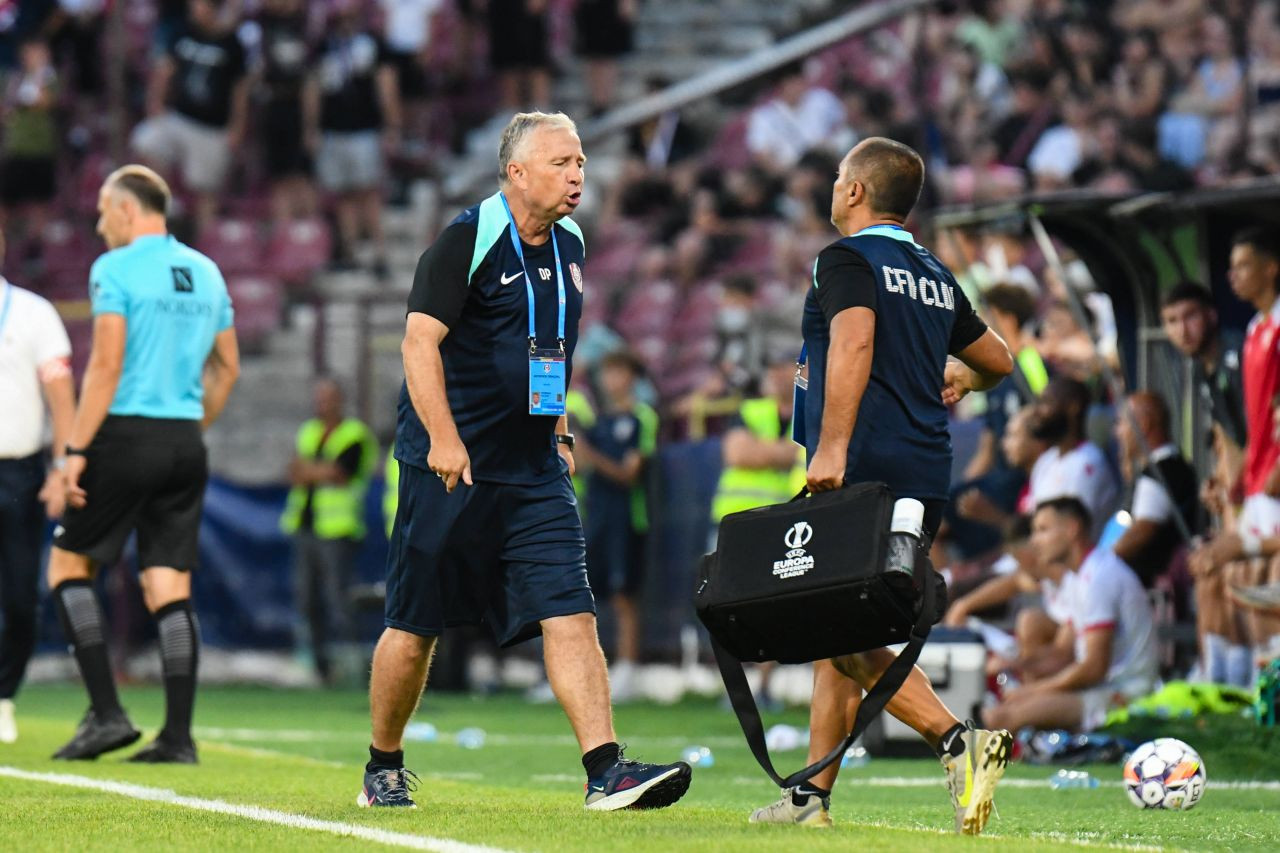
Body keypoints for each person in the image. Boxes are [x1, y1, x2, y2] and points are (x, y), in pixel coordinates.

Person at [364, 111, 691, 810]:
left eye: (579, 163)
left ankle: (606, 770)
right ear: (515, 173)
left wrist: (563, 432)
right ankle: (383, 763)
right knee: (415, 624)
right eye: (561, 164)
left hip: (535, 468)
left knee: (572, 608)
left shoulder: (570, 242)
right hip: (449, 465)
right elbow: (418, 345)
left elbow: (551, 353)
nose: (578, 176)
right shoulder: (465, 240)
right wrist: (445, 439)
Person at [750, 137, 1014, 834]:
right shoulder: (932, 272)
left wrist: (831, 448)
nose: (834, 188)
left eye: (839, 177)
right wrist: (962, 375)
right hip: (924, 473)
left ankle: (959, 740)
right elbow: (1001, 359)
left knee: (835, 625)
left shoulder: (846, 258)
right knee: (844, 624)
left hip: (864, 468)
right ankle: (811, 796)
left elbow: (855, 343)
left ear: (857, 192)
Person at [46, 165, 240, 763]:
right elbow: (227, 368)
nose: (100, 223)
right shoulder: (207, 271)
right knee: (168, 588)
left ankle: (106, 715)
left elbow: (104, 367)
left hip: (124, 436)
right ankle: (178, 738)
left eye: (104, 211)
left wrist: (74, 452)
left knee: (67, 567)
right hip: (184, 441)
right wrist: (187, 427)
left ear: (127, 211)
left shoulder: (116, 269)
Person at [1190, 228, 1280, 684]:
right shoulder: (1255, 330)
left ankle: (1264, 692)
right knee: (1242, 583)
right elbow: (1254, 420)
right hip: (1261, 477)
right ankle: (1242, 687)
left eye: (1244, 265)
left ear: (1272, 267)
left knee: (1268, 584)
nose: (1234, 276)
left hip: (1275, 480)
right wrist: (1237, 483)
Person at [983, 498, 1157, 733]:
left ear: (1072, 529)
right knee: (1002, 709)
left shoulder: (1099, 578)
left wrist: (1033, 691)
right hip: (1101, 688)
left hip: (1125, 694)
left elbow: (1094, 668)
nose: (1034, 541)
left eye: (1043, 530)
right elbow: (1063, 654)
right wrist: (1015, 663)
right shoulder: (1079, 577)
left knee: (1001, 719)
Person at [0, 230, 76, 744]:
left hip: (19, 472)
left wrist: (62, 465)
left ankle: (3, 696)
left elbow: (60, 398)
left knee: (23, 595)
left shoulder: (31, 312)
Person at [280, 377, 378, 684]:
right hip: (305, 526)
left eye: (328, 398)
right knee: (308, 600)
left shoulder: (355, 434)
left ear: (340, 400)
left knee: (339, 600)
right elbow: (294, 472)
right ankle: (320, 669)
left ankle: (353, 668)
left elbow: (341, 474)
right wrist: (319, 471)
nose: (322, 404)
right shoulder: (308, 431)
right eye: (318, 398)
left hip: (338, 529)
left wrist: (313, 471)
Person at [577, 350, 657, 702]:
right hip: (596, 515)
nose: (612, 380)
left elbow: (629, 474)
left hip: (628, 516)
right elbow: (578, 465)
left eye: (619, 371)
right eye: (607, 372)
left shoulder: (643, 418)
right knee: (585, 595)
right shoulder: (597, 421)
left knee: (624, 595)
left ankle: (627, 670)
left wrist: (589, 453)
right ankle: (583, 671)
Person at [131, 0, 249, 236]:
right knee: (145, 140)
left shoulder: (232, 43)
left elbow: (240, 90)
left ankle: (206, 240)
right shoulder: (182, 32)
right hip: (180, 118)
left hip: (212, 128)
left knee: (206, 189)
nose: (193, 10)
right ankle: (167, 205)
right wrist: (156, 102)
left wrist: (237, 127)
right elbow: (165, 69)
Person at [304, 0, 401, 275]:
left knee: (368, 193)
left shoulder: (372, 44)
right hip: (333, 130)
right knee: (343, 194)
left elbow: (386, 85)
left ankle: (380, 253)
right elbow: (313, 88)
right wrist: (311, 127)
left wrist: (391, 124)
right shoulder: (323, 47)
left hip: (365, 129)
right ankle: (351, 251)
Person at [1111, 391, 1202, 586]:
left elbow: (1143, 530)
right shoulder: (1171, 465)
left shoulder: (1161, 472)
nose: (1117, 432)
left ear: (1143, 424)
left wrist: (1103, 562)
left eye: (1121, 422)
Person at [1025, 377, 1122, 539]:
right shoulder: (1045, 461)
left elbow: (1070, 535)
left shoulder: (1089, 462)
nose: (1036, 412)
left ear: (1073, 407)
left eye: (1046, 403)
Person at [1159, 282, 1247, 461]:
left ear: (1211, 315)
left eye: (1190, 316)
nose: (1183, 331)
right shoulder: (1199, 370)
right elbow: (1226, 435)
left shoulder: (1240, 354)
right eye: (1172, 321)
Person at [252, 0, 316, 227]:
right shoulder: (260, 23)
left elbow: (311, 80)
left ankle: (308, 236)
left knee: (301, 176)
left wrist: (311, 125)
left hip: (298, 104)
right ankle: (285, 235)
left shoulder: (306, 25)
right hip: (272, 104)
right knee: (278, 177)